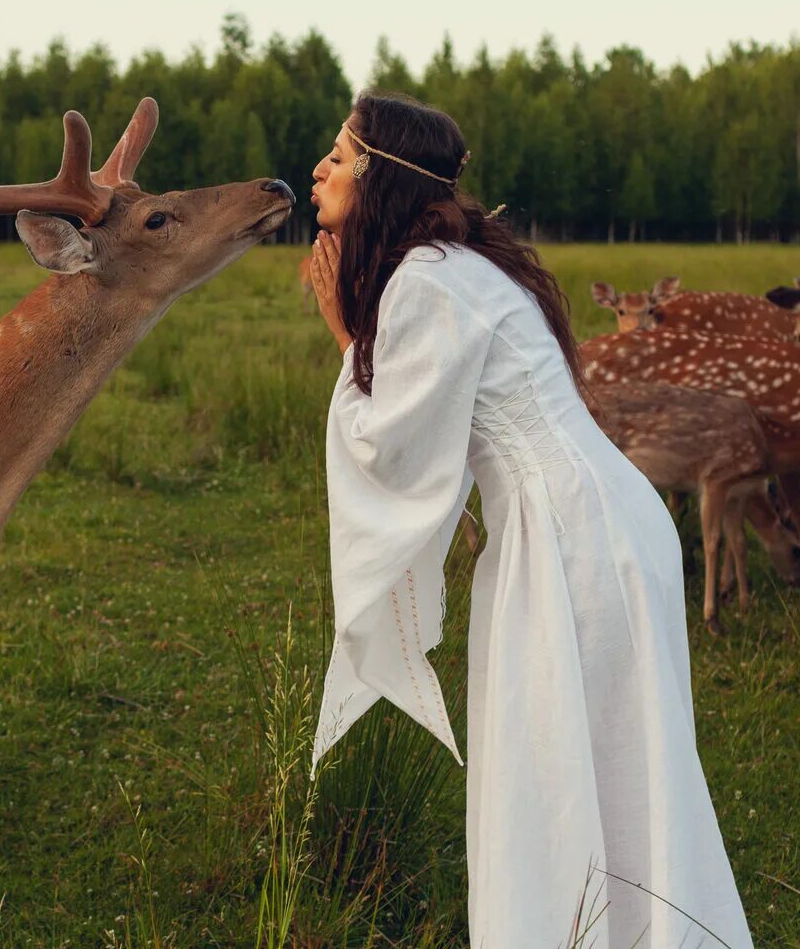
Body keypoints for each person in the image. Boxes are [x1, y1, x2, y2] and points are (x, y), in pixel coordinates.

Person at [307, 91, 753, 948]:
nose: (320, 168)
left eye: (339, 153)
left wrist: (340, 329)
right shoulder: (453, 268)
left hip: (572, 541)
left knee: (556, 768)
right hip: (594, 527)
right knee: (615, 765)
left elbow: (390, 449)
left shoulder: (429, 282)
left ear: (382, 176)